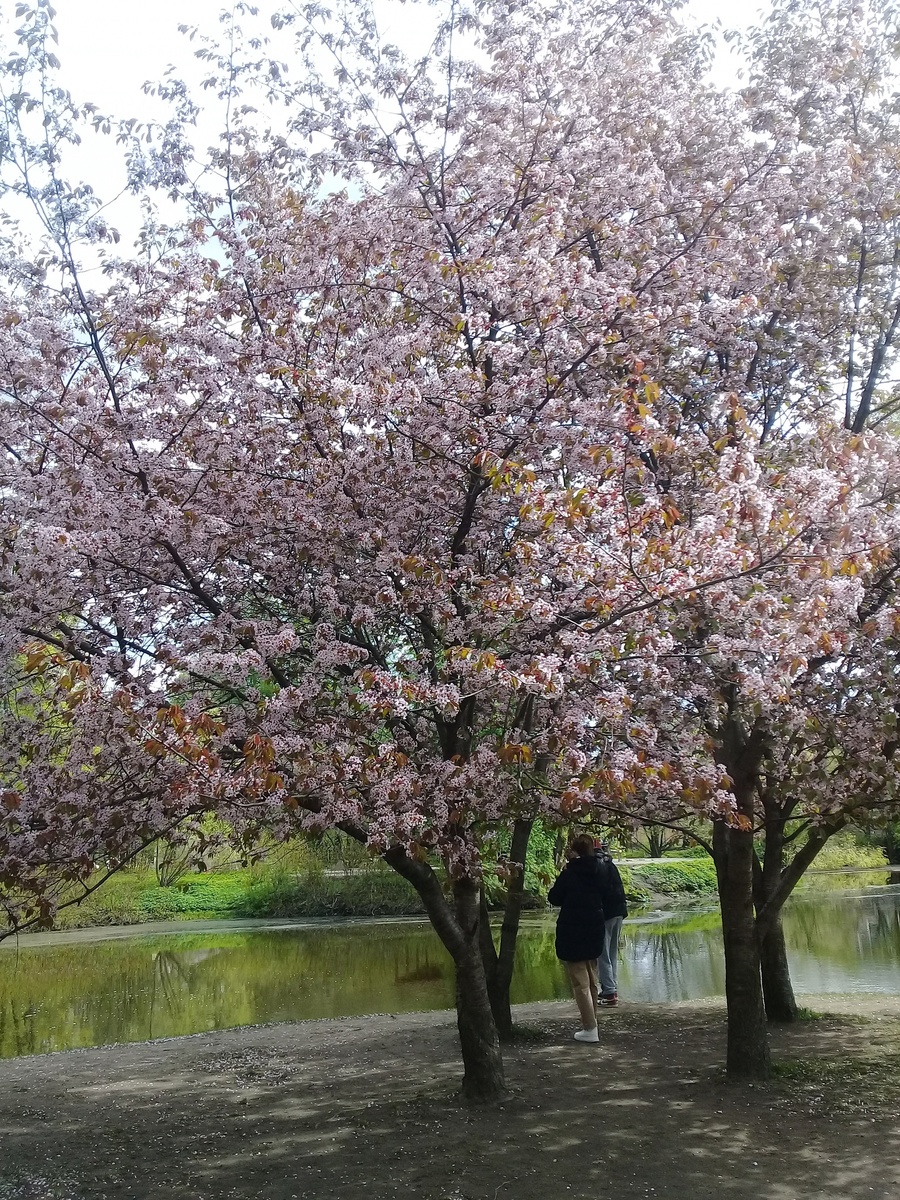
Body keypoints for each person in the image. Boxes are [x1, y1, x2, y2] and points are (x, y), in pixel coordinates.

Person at [547, 832, 606, 1043]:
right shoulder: (601, 870)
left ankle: (590, 1028)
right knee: (591, 979)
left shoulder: (570, 873)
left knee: (579, 981)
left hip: (573, 929)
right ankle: (594, 1023)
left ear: (574, 850)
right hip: (595, 926)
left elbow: (554, 897)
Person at [594, 840, 628, 1007]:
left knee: (602, 953)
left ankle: (609, 992)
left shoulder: (596, 866)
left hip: (606, 913)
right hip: (619, 911)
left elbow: (598, 891)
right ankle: (612, 987)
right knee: (612, 952)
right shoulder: (610, 864)